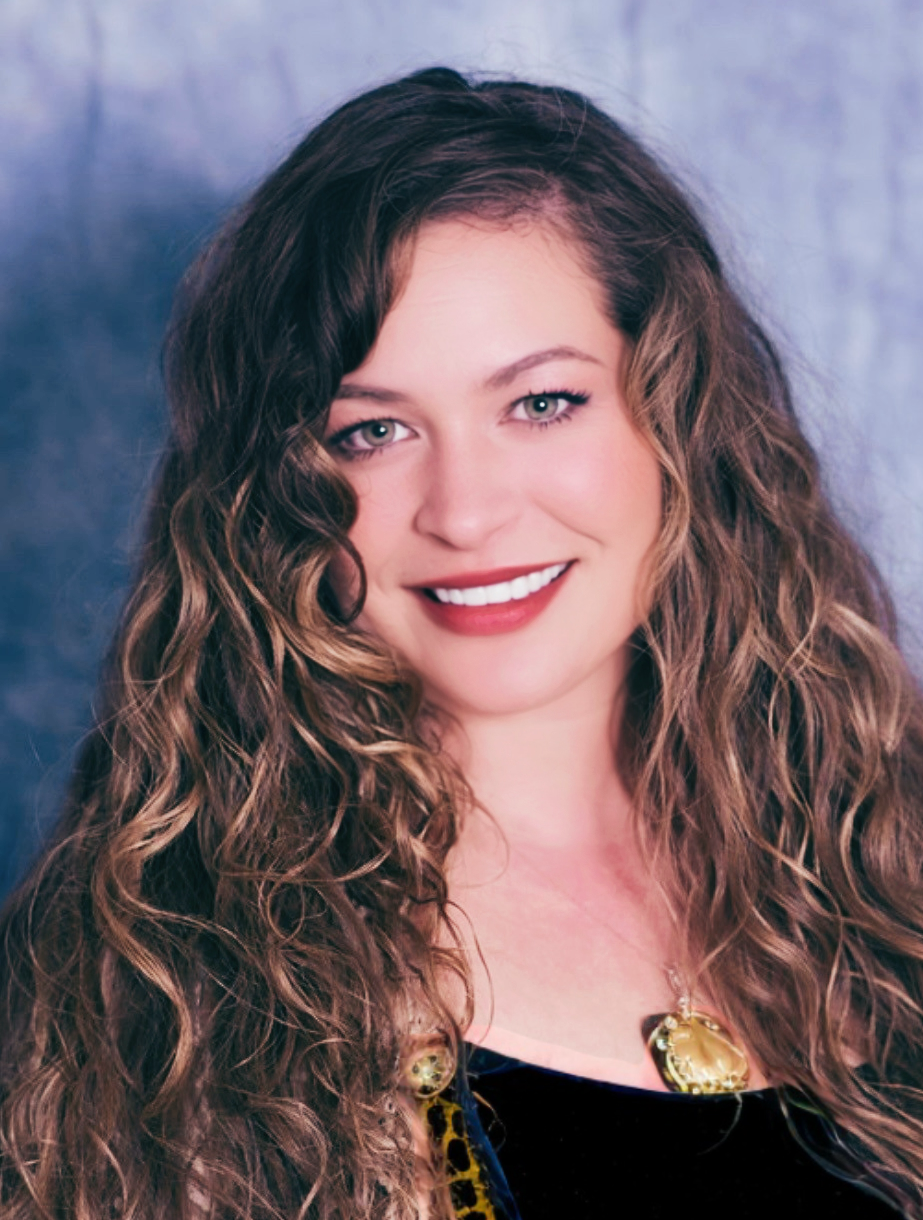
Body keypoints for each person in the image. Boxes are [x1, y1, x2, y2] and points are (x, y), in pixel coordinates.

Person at [1, 66, 922, 1220]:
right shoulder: (152, 988)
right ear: (274, 491)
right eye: (373, 431)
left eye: (541, 403)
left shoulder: (886, 858)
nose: (467, 511)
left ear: (677, 415)